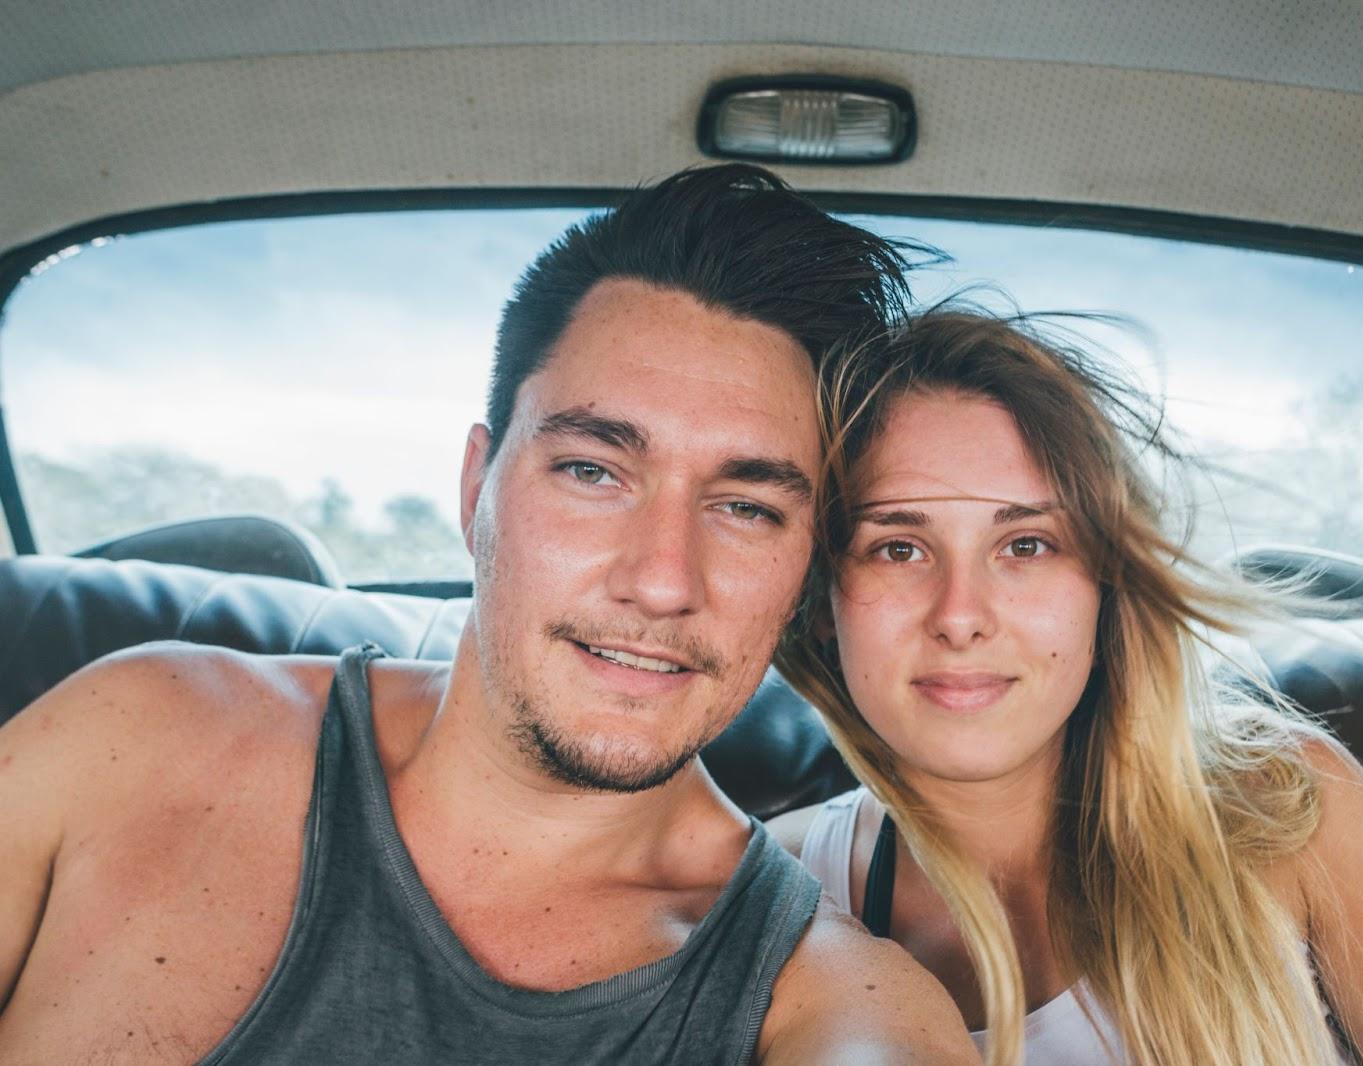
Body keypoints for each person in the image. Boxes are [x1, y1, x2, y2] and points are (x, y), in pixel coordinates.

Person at [0, 166, 978, 1064]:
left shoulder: (833, 1004)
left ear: (804, 571)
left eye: (746, 507)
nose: (661, 578)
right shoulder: (134, 734)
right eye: (593, 471)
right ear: (477, 485)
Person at [769, 308, 1363, 1065]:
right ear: (823, 604)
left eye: (1027, 545)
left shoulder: (1281, 813)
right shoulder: (775, 889)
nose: (961, 616)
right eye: (898, 548)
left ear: (1106, 585)